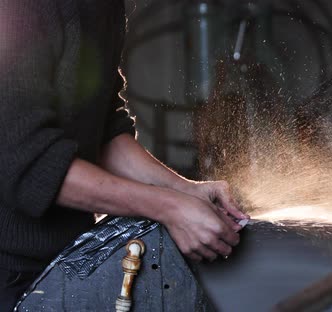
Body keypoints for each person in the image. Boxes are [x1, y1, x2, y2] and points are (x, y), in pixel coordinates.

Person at [0, 0, 249, 309]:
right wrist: (169, 208)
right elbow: (30, 164)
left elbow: (101, 130)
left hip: (64, 260)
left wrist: (185, 190)